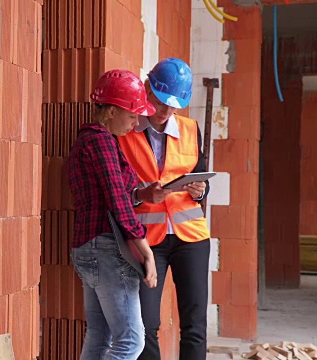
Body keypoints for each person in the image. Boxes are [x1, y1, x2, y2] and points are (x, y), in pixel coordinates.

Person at [116, 58, 211, 360]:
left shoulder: (190, 129)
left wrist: (200, 191)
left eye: (173, 106)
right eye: (160, 103)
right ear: (147, 88)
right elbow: (118, 192)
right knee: (145, 324)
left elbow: (201, 173)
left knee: (195, 324)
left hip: (191, 238)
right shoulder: (125, 131)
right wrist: (143, 195)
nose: (165, 112)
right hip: (146, 240)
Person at [67, 69, 158, 360]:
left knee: (100, 335)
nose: (136, 122)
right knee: (131, 342)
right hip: (107, 248)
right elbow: (117, 199)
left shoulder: (87, 141)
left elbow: (111, 195)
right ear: (110, 111)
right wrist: (146, 250)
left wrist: (141, 194)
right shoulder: (102, 141)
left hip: (87, 248)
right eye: (131, 115)